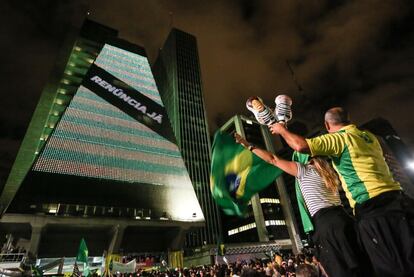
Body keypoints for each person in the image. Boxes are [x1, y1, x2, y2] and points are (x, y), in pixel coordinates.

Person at [269, 106, 414, 276]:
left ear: (327, 125)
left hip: (374, 209)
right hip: (401, 200)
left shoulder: (340, 139)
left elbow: (301, 146)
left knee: (391, 268)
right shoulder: (369, 137)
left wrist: (281, 129)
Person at [234, 133, 369, 277]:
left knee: (339, 270)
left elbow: (272, 159)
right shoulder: (330, 174)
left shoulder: (304, 170)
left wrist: (248, 145)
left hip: (326, 225)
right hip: (344, 219)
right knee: (361, 264)